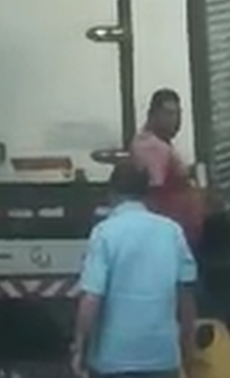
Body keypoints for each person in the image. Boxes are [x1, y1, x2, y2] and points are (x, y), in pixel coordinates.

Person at [71, 163, 198, 378]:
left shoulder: (104, 233)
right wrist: (187, 347)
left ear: (112, 193)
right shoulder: (172, 231)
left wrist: (80, 348)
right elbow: (186, 296)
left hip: (112, 361)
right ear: (147, 194)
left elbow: (91, 299)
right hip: (163, 357)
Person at [129, 88, 203, 250]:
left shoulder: (160, 144)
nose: (175, 120)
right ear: (152, 115)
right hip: (170, 235)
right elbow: (155, 194)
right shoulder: (152, 146)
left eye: (178, 114)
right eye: (168, 114)